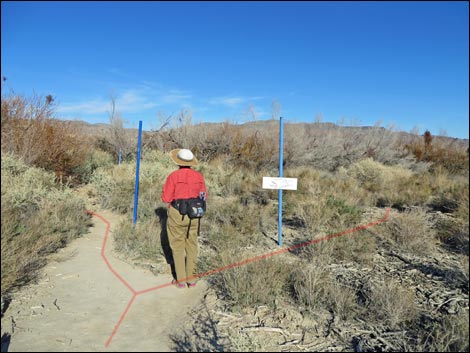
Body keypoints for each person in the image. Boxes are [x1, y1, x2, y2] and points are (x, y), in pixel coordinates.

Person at [161, 148, 207, 288]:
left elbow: (166, 198)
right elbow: (204, 196)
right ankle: (191, 280)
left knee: (177, 246)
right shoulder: (199, 176)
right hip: (195, 215)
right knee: (192, 245)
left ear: (178, 162)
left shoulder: (173, 176)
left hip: (177, 214)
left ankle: (180, 281)